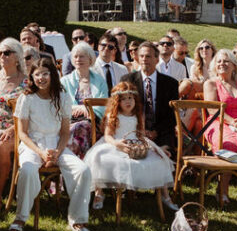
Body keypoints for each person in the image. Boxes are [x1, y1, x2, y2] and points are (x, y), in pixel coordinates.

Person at [9, 56, 94, 231]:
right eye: (37, 74)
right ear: (32, 77)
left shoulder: (62, 97)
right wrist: (40, 153)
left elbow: (64, 132)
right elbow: (22, 133)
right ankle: (21, 218)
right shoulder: (27, 98)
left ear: (52, 75)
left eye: (45, 74)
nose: (41, 78)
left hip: (57, 144)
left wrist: (57, 152)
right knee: (28, 170)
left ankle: (78, 220)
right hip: (32, 144)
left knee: (83, 170)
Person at [83, 82, 177, 214]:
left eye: (130, 98)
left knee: (160, 159)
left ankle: (165, 195)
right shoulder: (114, 115)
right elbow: (108, 136)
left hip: (136, 144)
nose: (128, 101)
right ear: (117, 101)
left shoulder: (138, 115)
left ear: (135, 99)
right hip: (115, 144)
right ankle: (99, 192)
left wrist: (156, 148)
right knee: (99, 158)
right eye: (123, 99)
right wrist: (117, 144)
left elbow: (142, 136)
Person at [201, 48, 237, 203]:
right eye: (218, 61)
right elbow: (213, 109)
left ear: (234, 65)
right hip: (218, 123)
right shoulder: (211, 83)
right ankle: (222, 190)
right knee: (229, 146)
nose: (222, 64)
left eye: (226, 61)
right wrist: (233, 122)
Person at [0, 38, 29, 214]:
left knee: (1, 147)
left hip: (15, 128)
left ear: (18, 57)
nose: (2, 56)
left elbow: (30, 113)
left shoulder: (27, 82)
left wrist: (13, 129)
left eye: (7, 52)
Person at [123, 41, 180, 150]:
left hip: (162, 133)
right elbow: (122, 110)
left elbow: (172, 116)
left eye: (148, 56)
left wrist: (155, 132)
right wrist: (139, 129)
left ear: (157, 59)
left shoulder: (170, 84)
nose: (144, 59)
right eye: (142, 56)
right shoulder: (127, 81)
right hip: (133, 131)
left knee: (164, 155)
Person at [60, 41, 108, 158]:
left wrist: (87, 109)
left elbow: (103, 104)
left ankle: (74, 165)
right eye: (75, 56)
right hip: (69, 123)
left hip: (94, 123)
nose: (78, 59)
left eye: (82, 56)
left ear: (90, 59)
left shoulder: (99, 80)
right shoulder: (65, 81)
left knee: (82, 127)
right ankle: (79, 165)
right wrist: (76, 108)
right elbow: (60, 104)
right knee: (79, 127)